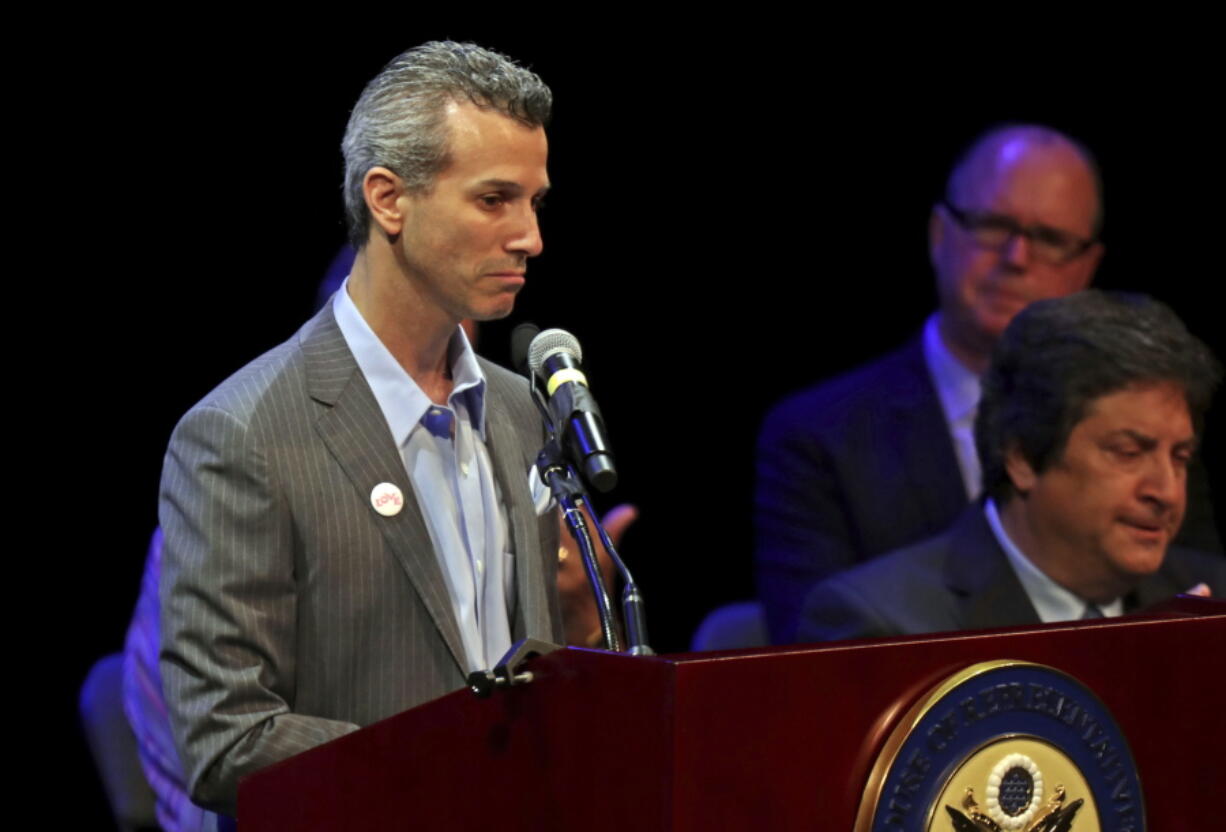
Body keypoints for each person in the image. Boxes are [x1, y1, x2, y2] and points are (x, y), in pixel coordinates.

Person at [158, 42, 564, 819]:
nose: (528, 237)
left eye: (535, 203)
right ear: (388, 199)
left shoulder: (519, 409)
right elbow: (225, 738)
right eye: (493, 200)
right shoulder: (241, 434)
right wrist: (453, 774)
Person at [754, 124, 1220, 644]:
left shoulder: (1202, 591)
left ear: (1089, 265)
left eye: (1049, 239)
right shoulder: (825, 445)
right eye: (994, 226)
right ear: (1019, 454)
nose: (1016, 258)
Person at [796, 291, 1225, 642]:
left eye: (1180, 457)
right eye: (1128, 453)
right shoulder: (884, 627)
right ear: (1021, 457)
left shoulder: (1212, 605)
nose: (1166, 492)